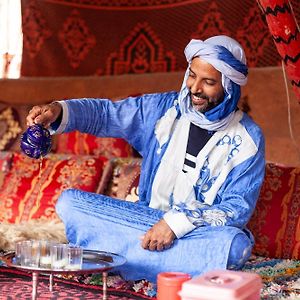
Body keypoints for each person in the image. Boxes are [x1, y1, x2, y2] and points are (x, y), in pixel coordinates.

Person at [26, 35, 265, 282]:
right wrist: (58, 110)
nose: (194, 88)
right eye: (192, 75)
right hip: (142, 221)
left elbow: (236, 208)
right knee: (69, 203)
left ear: (229, 87)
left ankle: (116, 258)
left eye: (208, 82)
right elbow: (107, 114)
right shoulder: (162, 109)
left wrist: (175, 224)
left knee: (234, 245)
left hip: (193, 233)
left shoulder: (248, 139)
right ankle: (169, 264)